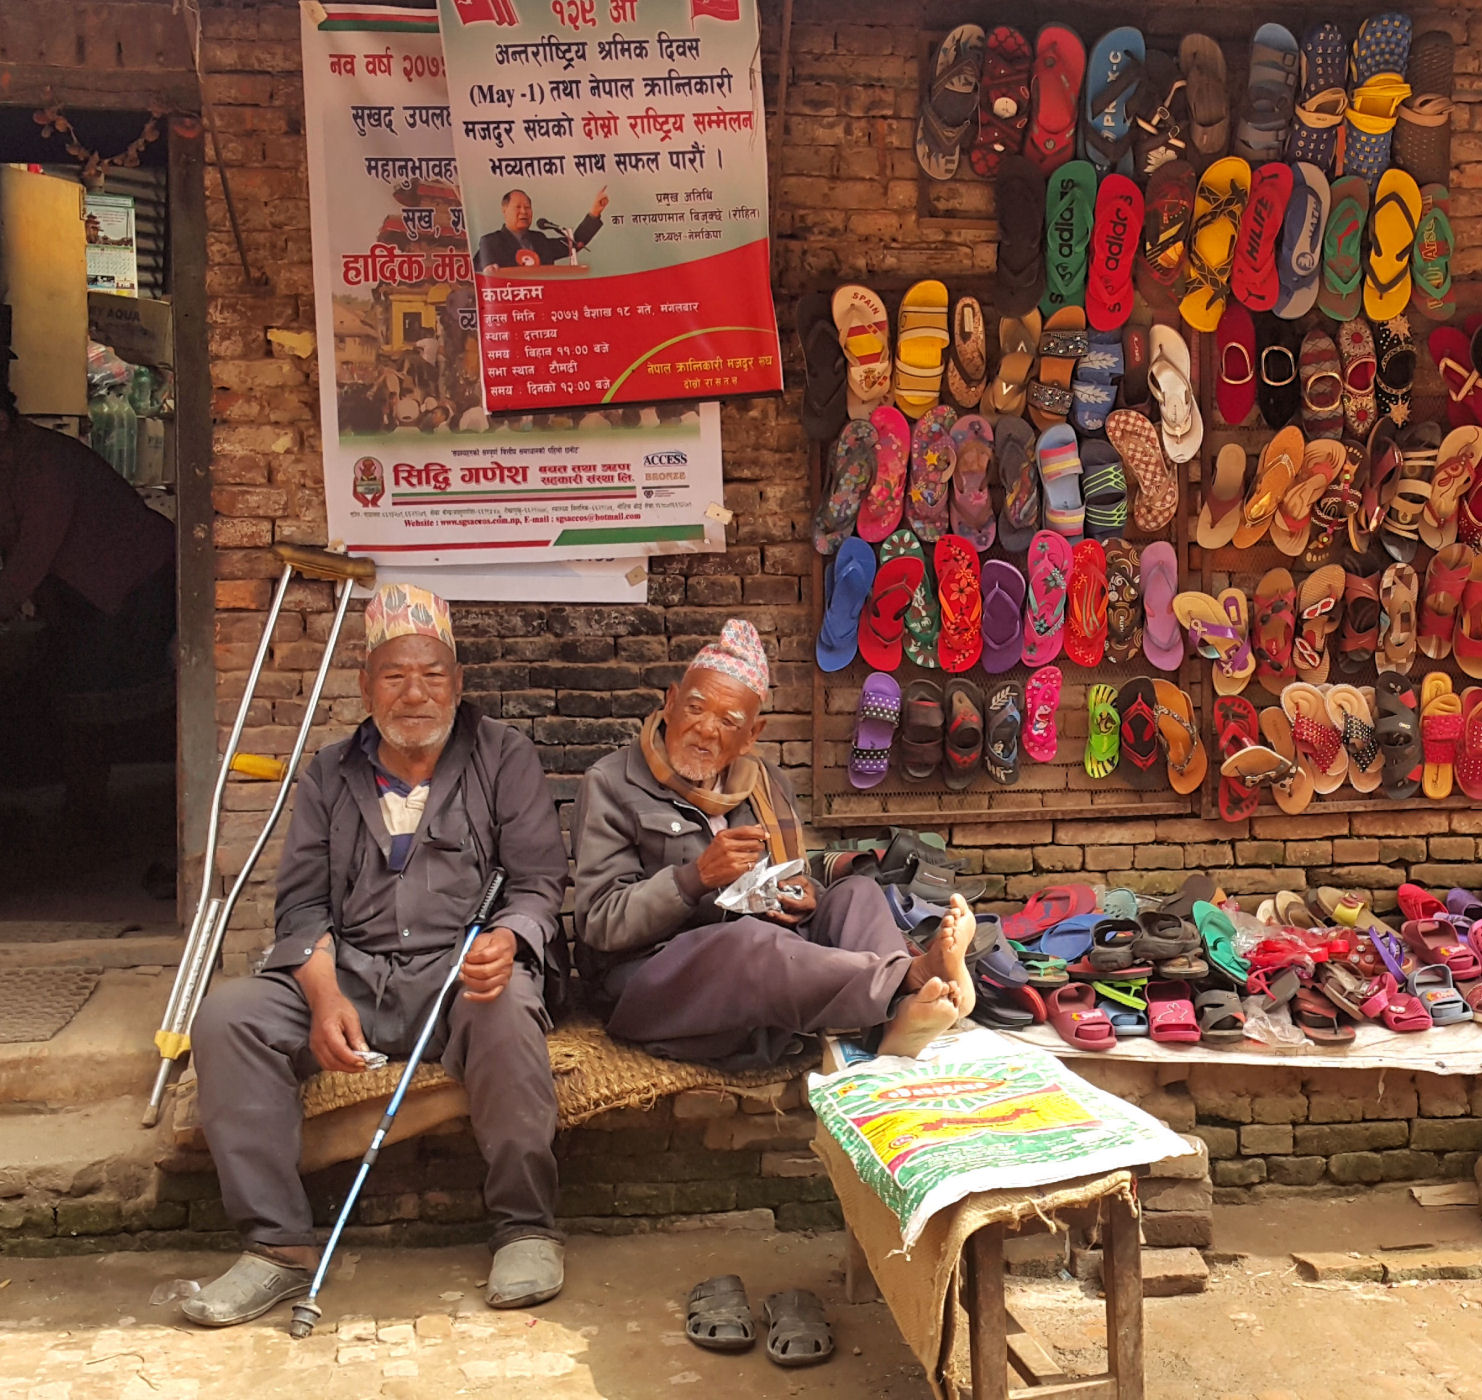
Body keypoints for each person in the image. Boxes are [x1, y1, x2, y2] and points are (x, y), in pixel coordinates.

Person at [181, 585, 570, 1327]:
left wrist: (509, 939)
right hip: (353, 973)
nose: (414, 694)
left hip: (456, 975)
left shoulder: (503, 756)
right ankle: (277, 1246)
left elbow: (538, 883)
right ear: (366, 686)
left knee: (509, 1004)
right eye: (395, 676)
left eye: (431, 675)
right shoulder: (330, 772)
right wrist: (323, 994)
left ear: (457, 682)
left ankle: (525, 1227)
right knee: (229, 1019)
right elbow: (300, 907)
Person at [571, 619, 972, 1066]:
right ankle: (906, 981)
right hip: (655, 978)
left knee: (856, 894)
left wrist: (806, 895)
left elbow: (790, 876)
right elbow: (599, 923)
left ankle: (897, 1021)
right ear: (670, 702)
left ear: (751, 735)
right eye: (695, 708)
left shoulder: (765, 784)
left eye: (728, 721)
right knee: (748, 942)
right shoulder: (612, 783)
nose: (705, 730)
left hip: (757, 956)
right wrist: (694, 879)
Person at [0, 376, 177, 825]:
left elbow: (33, 551)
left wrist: (9, 600)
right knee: (77, 691)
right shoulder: (13, 462)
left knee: (97, 695)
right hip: (88, 588)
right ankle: (88, 807)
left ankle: (101, 814)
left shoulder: (45, 464)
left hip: (135, 579)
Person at [473, 186, 609, 270]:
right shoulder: (491, 242)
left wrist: (595, 212)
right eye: (518, 207)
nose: (524, 212)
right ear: (504, 210)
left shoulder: (539, 240)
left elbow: (574, 243)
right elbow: (483, 275)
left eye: (527, 207)